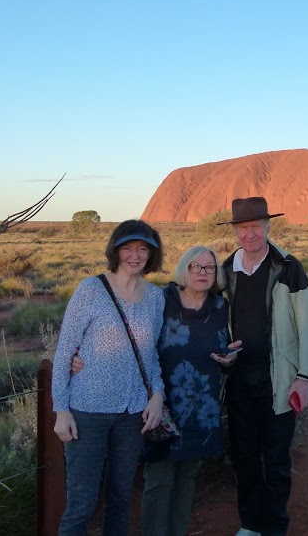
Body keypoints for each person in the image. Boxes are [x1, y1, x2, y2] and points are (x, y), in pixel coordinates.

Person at [70, 245, 241, 536]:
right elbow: (128, 334)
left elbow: (229, 348)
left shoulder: (220, 306)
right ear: (184, 269)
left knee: (187, 477)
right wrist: (81, 353)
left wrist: (230, 360)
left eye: (209, 268)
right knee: (159, 478)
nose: (202, 272)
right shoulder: (162, 299)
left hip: (202, 406)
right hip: (161, 403)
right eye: (195, 267)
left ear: (216, 274)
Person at [212, 197, 308, 536]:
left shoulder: (288, 267)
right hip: (239, 379)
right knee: (244, 456)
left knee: (275, 459)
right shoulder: (225, 271)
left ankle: (274, 526)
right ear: (235, 231)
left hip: (280, 379)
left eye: (256, 227)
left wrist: (305, 376)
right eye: (243, 228)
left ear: (268, 227)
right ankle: (250, 523)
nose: (250, 234)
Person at [52, 220, 166, 536]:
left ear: (151, 254)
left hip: (133, 415)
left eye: (143, 248)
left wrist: (157, 395)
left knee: (120, 500)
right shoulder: (91, 289)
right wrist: (61, 409)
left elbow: (151, 355)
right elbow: (65, 352)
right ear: (115, 250)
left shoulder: (156, 298)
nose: (135, 255)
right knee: (82, 504)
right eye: (128, 247)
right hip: (87, 412)